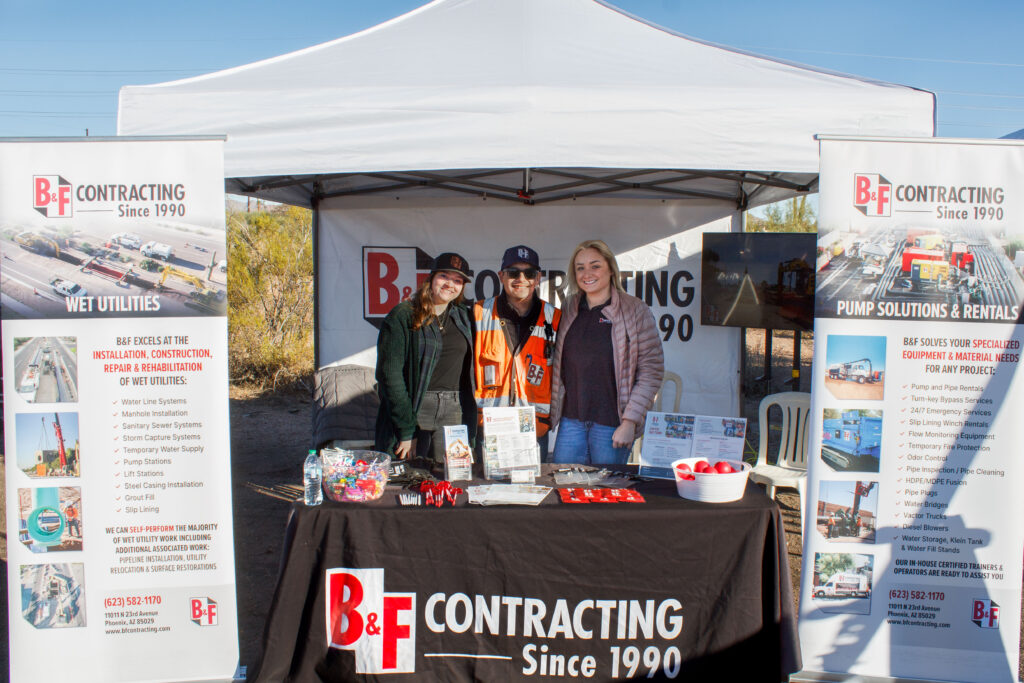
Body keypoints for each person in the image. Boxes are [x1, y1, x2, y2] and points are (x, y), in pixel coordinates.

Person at [550, 239, 664, 465]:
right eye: (580, 267)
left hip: (612, 424)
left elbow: (651, 371)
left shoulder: (635, 309)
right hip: (572, 422)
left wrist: (630, 421)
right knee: (563, 490)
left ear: (611, 269)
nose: (587, 273)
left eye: (595, 266)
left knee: (607, 494)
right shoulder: (569, 307)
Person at [374, 253, 477, 470]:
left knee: (452, 479)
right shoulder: (403, 315)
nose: (450, 284)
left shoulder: (464, 316)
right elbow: (389, 376)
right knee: (409, 481)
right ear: (430, 278)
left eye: (458, 280)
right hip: (415, 408)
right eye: (444, 276)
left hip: (454, 409)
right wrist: (406, 429)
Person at [473, 245, 561, 459]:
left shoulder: (555, 318)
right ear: (501, 276)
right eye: (513, 273)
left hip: (533, 428)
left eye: (529, 273)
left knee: (532, 491)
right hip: (489, 428)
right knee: (486, 491)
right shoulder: (479, 313)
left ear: (538, 278)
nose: (521, 278)